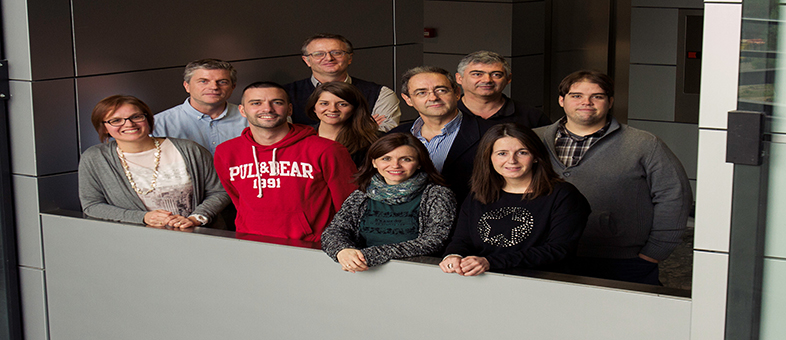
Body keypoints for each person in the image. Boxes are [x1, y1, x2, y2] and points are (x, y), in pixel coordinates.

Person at [534, 70, 692, 285]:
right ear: (562, 100)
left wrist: (656, 251)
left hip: (622, 261)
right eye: (576, 96)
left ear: (610, 102)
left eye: (597, 96)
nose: (586, 102)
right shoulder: (533, 140)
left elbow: (673, 195)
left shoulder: (644, 144)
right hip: (544, 255)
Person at [439, 123, 590, 276]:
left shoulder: (564, 195)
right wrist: (454, 256)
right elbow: (461, 240)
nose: (512, 160)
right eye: (502, 153)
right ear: (489, 158)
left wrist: (490, 262)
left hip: (541, 284)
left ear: (536, 156)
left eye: (522, 152)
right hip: (483, 282)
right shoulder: (478, 195)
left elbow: (558, 250)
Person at [214, 82, 357, 241]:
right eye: (256, 103)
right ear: (242, 110)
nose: (267, 109)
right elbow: (237, 198)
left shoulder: (327, 150)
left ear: (289, 109)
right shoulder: (226, 152)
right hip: (250, 243)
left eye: (277, 102)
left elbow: (349, 206)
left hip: (310, 247)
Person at [79, 95, 230, 228]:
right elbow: (92, 206)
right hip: (131, 244)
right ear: (104, 127)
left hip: (198, 237)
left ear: (148, 119)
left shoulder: (190, 149)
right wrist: (143, 218)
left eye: (136, 117)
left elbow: (220, 191)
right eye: (116, 120)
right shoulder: (95, 158)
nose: (129, 124)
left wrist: (196, 218)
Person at [321, 133, 457, 272]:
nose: (395, 165)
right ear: (374, 162)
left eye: (406, 159)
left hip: (417, 274)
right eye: (386, 158)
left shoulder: (438, 195)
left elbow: (434, 242)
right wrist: (343, 251)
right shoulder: (361, 195)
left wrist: (369, 255)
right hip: (364, 273)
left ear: (419, 163)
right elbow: (334, 231)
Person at [390, 66, 494, 205]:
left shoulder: (491, 134)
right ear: (408, 99)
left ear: (457, 93)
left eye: (441, 90)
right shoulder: (394, 136)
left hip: (465, 220)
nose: (433, 98)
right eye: (421, 93)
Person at [284, 33, 401, 132]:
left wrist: (303, 131)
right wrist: (361, 128)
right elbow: (282, 136)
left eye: (337, 53)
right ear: (307, 61)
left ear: (349, 58)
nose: (329, 58)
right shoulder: (285, 94)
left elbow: (384, 138)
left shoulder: (381, 94)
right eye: (319, 54)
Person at [153, 58, 247, 154]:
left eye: (222, 82)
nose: (214, 87)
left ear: (233, 87)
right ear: (187, 86)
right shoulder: (158, 125)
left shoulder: (249, 119)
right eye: (203, 81)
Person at [456, 51, 551, 128]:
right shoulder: (445, 113)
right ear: (459, 78)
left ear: (508, 79)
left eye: (496, 74)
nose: (487, 80)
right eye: (477, 74)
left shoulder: (532, 117)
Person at [304, 82, 380, 167]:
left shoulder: (371, 142)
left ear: (355, 108)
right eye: (324, 103)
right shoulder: (301, 136)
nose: (332, 109)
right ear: (314, 107)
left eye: (342, 104)